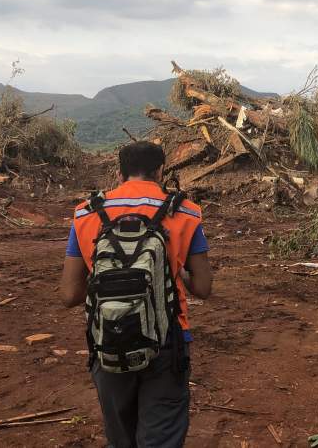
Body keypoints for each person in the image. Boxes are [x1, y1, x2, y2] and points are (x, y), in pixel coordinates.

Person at [60, 141, 213, 448]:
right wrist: (174, 269)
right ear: (161, 171)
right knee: (162, 437)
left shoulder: (86, 213)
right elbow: (203, 288)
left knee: (120, 438)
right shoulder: (185, 211)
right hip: (167, 339)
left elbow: (69, 294)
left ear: (119, 173)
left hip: (108, 339)